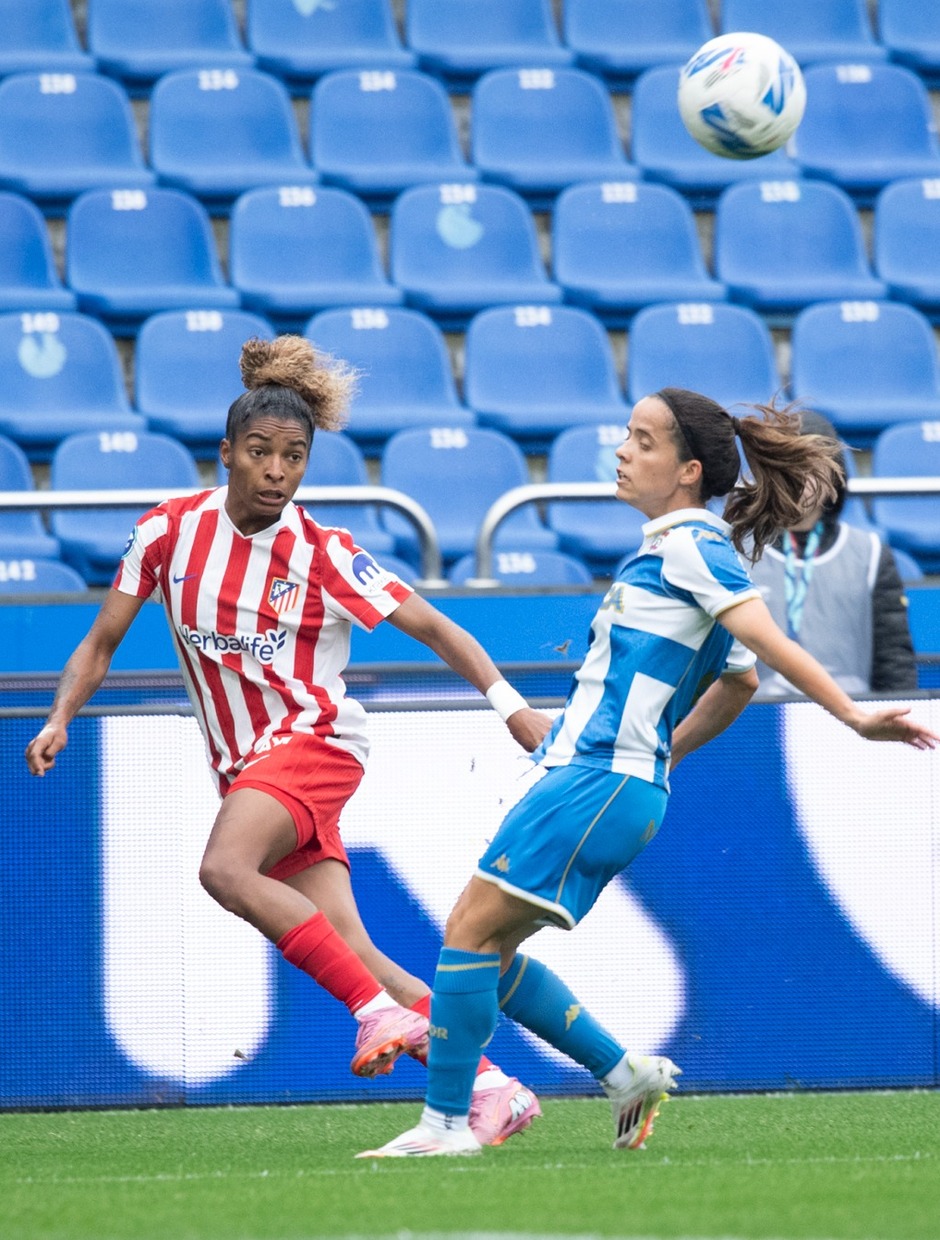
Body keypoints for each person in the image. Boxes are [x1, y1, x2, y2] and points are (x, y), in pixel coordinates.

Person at [359, 389, 939, 1160]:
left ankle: (446, 1126)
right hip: (604, 780)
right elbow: (738, 681)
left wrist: (853, 715)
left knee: (468, 932)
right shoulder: (685, 550)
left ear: (689, 470)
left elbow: (765, 646)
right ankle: (622, 1072)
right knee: (483, 951)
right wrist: (664, 755)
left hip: (596, 779)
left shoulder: (693, 548)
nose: (623, 451)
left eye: (642, 439)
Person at [24, 334, 550, 1147]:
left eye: (294, 457)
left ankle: (373, 1014)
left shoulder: (324, 553)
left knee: (224, 869)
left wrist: (509, 704)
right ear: (227, 452)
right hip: (249, 768)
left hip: (316, 743)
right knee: (358, 950)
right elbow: (100, 643)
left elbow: (436, 627)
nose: (277, 471)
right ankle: (491, 1086)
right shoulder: (166, 533)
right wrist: (60, 715)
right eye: (261, 452)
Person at [747, 411, 917, 699]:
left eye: (809, 467)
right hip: (756, 721)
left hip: (847, 722)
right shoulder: (733, 553)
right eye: (786, 466)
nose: (797, 478)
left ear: (835, 475)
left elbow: (894, 666)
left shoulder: (871, 555)